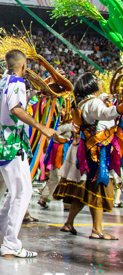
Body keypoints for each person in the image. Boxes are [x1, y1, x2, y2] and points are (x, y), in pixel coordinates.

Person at [0, 50, 57, 258]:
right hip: (12, 144)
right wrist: (41, 127)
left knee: (16, 192)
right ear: (23, 66)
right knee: (23, 192)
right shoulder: (16, 82)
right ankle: (11, 244)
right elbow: (16, 109)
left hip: (0, 143)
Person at [53, 73, 121, 240]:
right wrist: (119, 108)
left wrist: (109, 97)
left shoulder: (84, 102)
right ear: (92, 85)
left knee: (84, 191)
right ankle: (97, 230)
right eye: (98, 81)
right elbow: (107, 114)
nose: (101, 83)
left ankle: (69, 223)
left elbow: (104, 102)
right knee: (98, 186)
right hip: (95, 153)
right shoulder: (93, 103)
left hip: (86, 150)